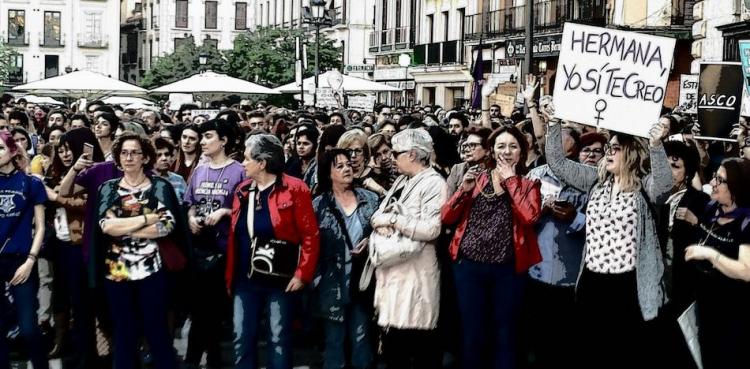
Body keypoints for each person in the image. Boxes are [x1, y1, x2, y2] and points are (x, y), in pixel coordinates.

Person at [545, 118, 672, 369]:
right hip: (593, 281)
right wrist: (552, 125)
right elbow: (558, 164)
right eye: (609, 148)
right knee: (592, 351)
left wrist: (656, 145)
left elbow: (664, 188)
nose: (608, 152)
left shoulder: (644, 186)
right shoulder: (595, 180)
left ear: (632, 153)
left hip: (629, 284)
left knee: (624, 352)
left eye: (615, 148)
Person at [441, 126, 542, 369]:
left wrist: (510, 180)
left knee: (505, 334)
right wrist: (462, 192)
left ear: (521, 152)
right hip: (469, 268)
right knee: (473, 332)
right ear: (492, 150)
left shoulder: (529, 184)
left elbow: (530, 217)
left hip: (508, 271)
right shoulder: (477, 178)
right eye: (501, 146)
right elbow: (446, 217)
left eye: (513, 146)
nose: (506, 152)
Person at [90, 132, 187, 369]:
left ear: (145, 158)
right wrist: (147, 217)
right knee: (124, 333)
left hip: (152, 271)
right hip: (117, 272)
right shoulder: (108, 189)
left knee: (158, 333)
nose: (129, 157)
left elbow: (166, 227)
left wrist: (125, 227)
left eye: (135, 152)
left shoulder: (159, 187)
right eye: (124, 152)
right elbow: (106, 226)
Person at [226, 134, 320, 369]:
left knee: (278, 340)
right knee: (242, 338)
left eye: (246, 158)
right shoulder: (242, 190)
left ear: (262, 162)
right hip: (244, 278)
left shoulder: (295, 188)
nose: (242, 163)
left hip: (281, 279)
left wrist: (302, 273)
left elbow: (310, 234)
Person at [369, 129, 447, 369]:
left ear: (412, 155)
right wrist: (383, 220)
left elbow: (432, 229)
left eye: (395, 152)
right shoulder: (403, 180)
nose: (392, 158)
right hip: (395, 272)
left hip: (417, 275)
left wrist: (394, 222)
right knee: (395, 347)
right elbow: (378, 214)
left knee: (416, 346)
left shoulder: (434, 183)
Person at [183, 119, 245, 369]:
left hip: (224, 250)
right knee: (198, 309)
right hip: (199, 249)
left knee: (214, 311)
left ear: (223, 140)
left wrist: (225, 212)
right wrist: (190, 219)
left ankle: (208, 357)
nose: (202, 141)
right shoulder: (199, 170)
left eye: (208, 136)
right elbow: (191, 202)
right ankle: (196, 357)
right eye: (202, 137)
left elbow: (247, 208)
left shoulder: (239, 170)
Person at [312, 149, 378, 369]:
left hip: (362, 281)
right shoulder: (318, 205)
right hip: (331, 282)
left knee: (361, 337)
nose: (347, 168)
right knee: (334, 340)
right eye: (339, 166)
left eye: (348, 164)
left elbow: (382, 232)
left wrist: (370, 242)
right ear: (327, 173)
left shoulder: (370, 199)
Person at [684, 158, 750, 369]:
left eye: (720, 180)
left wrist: (710, 255)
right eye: (714, 176)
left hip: (732, 315)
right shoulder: (711, 207)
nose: (712, 183)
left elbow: (746, 271)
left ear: (736, 188)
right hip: (705, 307)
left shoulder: (746, 222)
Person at [44, 129, 100, 368]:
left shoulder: (94, 171)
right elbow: (55, 196)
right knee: (61, 296)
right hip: (59, 242)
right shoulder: (55, 170)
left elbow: (85, 204)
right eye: (62, 149)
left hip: (80, 243)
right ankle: (65, 343)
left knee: (82, 302)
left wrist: (56, 198)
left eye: (69, 149)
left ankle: (87, 354)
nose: (65, 154)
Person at [0, 131, 49, 369]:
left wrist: (31, 260)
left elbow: (39, 227)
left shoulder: (31, 183)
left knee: (29, 328)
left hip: (22, 260)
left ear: (12, 151)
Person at [445, 126, 492, 195]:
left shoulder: (494, 171)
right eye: (466, 145)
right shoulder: (457, 169)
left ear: (487, 150)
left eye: (473, 145)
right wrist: (462, 187)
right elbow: (448, 201)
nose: (466, 150)